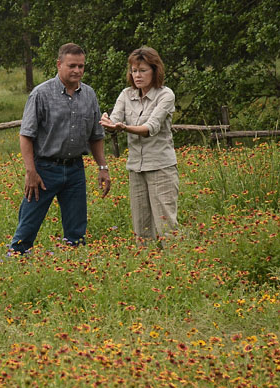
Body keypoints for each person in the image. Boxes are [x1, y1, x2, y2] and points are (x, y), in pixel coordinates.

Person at [9, 43, 111, 254]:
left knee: (77, 228)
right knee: (28, 223)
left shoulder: (89, 95)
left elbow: (96, 136)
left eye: (81, 66)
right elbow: (26, 135)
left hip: (75, 169)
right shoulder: (41, 94)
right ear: (59, 64)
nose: (77, 70)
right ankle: (16, 258)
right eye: (72, 65)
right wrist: (31, 172)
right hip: (44, 169)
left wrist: (103, 167)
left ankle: (74, 264)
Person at [100, 46, 178, 242]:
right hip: (136, 168)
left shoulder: (165, 95)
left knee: (166, 226)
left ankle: (176, 266)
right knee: (141, 229)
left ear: (155, 70)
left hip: (161, 167)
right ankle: (148, 267)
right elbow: (114, 120)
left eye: (143, 70)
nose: (137, 75)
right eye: (134, 71)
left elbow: (150, 128)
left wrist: (123, 127)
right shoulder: (126, 94)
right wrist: (107, 123)